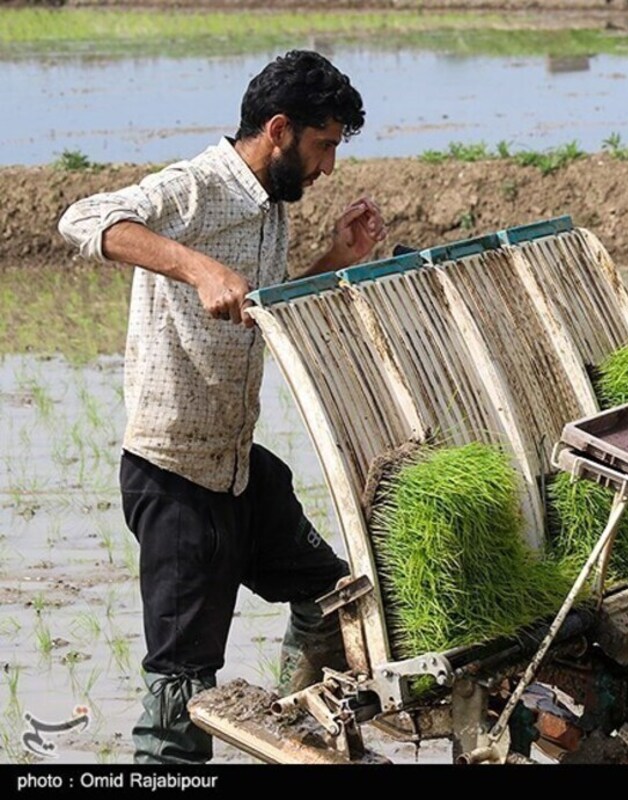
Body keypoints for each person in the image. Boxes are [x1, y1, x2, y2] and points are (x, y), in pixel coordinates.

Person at [57, 49, 388, 764]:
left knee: (334, 598)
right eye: (324, 145)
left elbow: (259, 309)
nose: (330, 167)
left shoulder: (270, 206)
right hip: (175, 478)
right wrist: (196, 265)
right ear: (279, 129)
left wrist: (338, 259)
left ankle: (304, 733)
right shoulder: (199, 187)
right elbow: (84, 218)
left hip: (238, 468)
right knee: (182, 692)